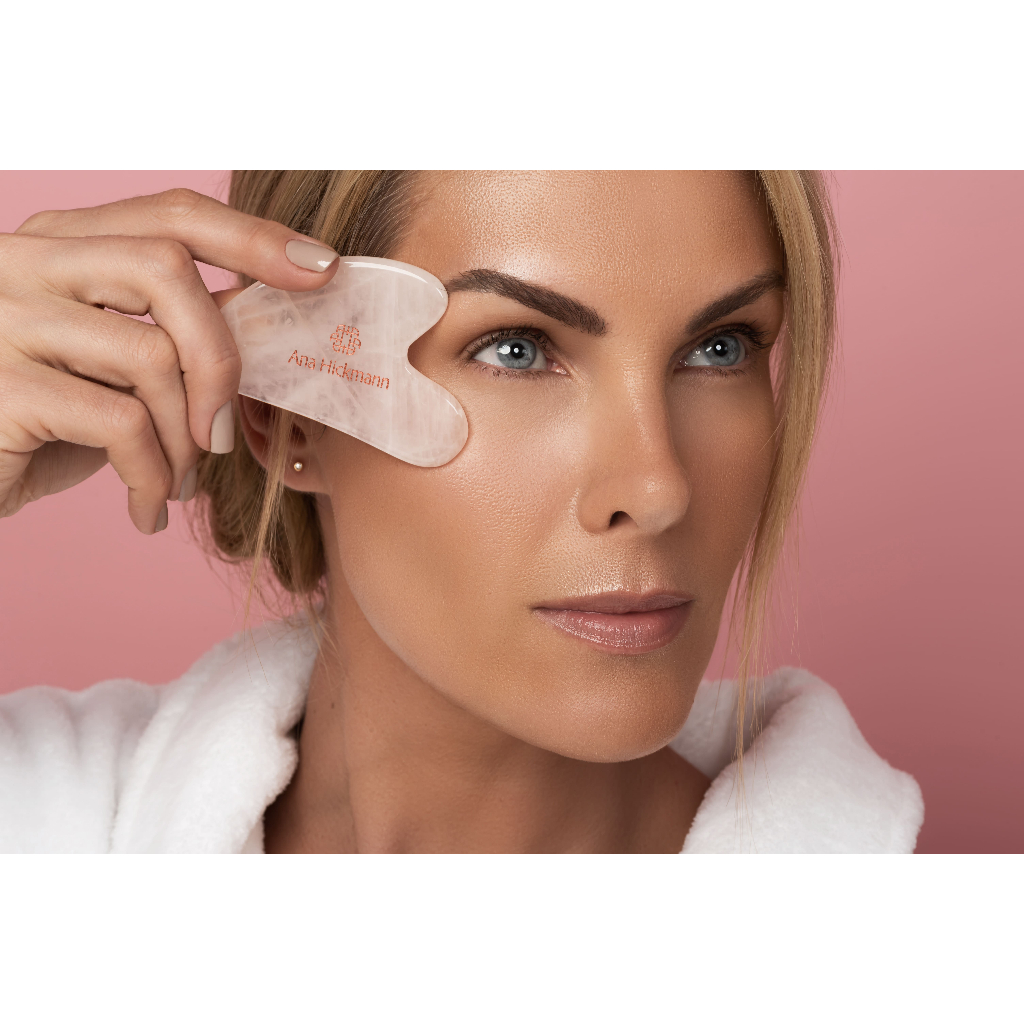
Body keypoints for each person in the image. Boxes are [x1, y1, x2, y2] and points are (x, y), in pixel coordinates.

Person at [0, 171, 924, 853]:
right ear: (289, 412)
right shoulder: (49, 825)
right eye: (516, 348)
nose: (657, 488)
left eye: (722, 347)